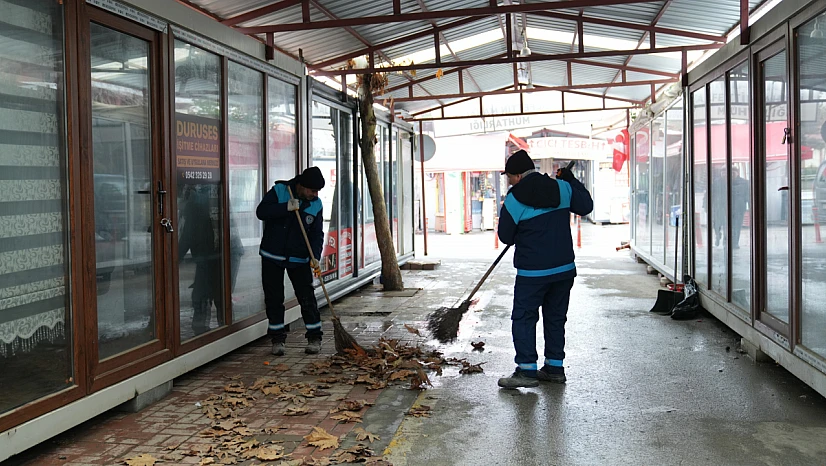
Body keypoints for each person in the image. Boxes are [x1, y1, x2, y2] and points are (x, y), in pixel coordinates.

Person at [495, 150, 593, 389]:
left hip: (532, 273)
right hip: (563, 269)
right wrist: (570, 179)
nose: (508, 181)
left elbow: (506, 236)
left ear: (518, 176)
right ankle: (554, 368)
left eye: (509, 176)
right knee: (556, 318)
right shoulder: (562, 188)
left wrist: (521, 229)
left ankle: (527, 371)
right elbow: (586, 206)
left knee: (524, 317)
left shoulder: (514, 199)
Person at [256, 167, 325, 356]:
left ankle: (314, 336)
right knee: (274, 298)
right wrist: (285, 208)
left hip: (300, 257)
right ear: (301, 186)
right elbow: (261, 212)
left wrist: (315, 256)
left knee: (306, 297)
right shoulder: (280, 191)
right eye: (312, 190)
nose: (314, 194)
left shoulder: (316, 205)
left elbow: (317, 234)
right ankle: (277, 339)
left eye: (317, 191)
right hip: (272, 254)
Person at [178, 184, 224, 335]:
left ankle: (204, 330)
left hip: (216, 252)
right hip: (211, 252)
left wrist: (175, 258)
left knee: (209, 293)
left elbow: (187, 235)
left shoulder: (195, 203)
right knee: (210, 292)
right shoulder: (197, 198)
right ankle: (208, 329)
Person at [731, 167, 749, 249]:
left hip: (739, 208)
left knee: (737, 226)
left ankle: (734, 243)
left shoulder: (744, 183)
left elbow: (748, 195)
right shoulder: (722, 182)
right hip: (725, 207)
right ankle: (728, 242)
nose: (732, 173)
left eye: (734, 172)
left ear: (737, 172)